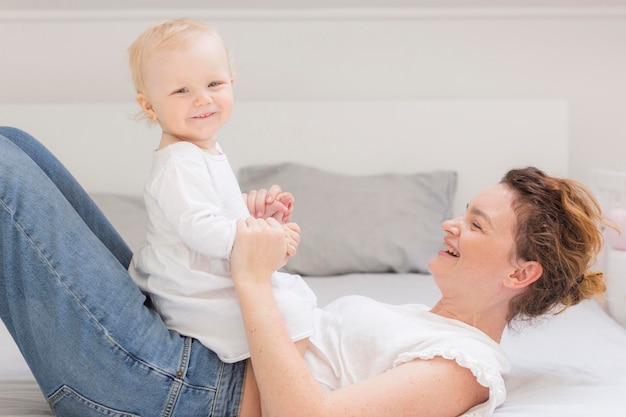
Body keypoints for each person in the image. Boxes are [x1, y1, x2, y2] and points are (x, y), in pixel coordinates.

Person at [0, 135, 609, 413]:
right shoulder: (426, 323)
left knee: (4, 172)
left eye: (476, 225)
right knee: (17, 143)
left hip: (175, 391)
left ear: (520, 272)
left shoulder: (463, 370)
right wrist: (242, 229)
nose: (452, 224)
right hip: (186, 349)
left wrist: (252, 278)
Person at [126, 18, 316, 364]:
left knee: (290, 297)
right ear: (149, 106)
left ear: (231, 82)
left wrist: (252, 214)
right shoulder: (179, 163)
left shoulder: (201, 152)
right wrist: (261, 236)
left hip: (207, 283)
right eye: (181, 90)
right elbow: (201, 230)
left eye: (213, 83)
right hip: (192, 297)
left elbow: (215, 212)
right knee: (290, 311)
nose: (202, 98)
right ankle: (276, 397)